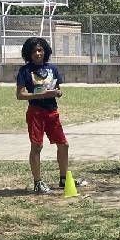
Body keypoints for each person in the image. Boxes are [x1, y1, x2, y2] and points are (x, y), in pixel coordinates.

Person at [16, 37, 84, 194]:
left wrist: (57, 93)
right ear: (28, 54)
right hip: (36, 112)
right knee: (37, 146)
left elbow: (58, 89)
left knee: (63, 144)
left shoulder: (52, 69)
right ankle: (38, 182)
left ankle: (64, 178)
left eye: (40, 50)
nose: (37, 53)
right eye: (34, 51)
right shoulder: (25, 71)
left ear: (45, 51)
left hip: (52, 111)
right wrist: (41, 94)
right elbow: (20, 95)